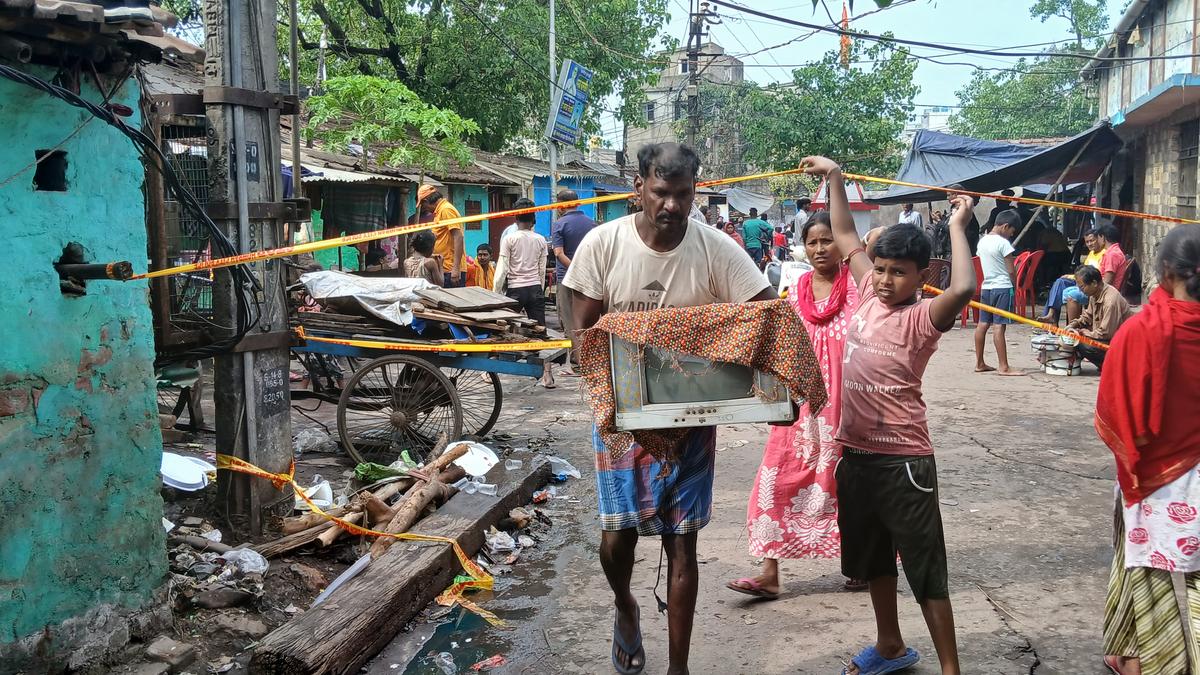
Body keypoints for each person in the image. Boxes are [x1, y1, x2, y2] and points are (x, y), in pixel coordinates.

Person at [562, 142, 775, 675]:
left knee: (683, 543)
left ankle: (678, 668)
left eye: (683, 194)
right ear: (639, 188)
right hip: (621, 418)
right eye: (661, 193)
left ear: (695, 191)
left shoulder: (715, 248)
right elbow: (582, 329)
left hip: (690, 418)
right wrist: (600, 354)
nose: (673, 206)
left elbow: (766, 312)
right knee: (618, 536)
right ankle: (625, 605)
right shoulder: (603, 244)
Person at [804, 155, 977, 675]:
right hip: (855, 458)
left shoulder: (924, 317)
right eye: (879, 268)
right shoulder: (862, 294)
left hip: (904, 465)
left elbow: (966, 288)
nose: (883, 279)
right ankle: (889, 646)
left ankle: (950, 668)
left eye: (898, 273)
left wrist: (956, 225)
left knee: (925, 570)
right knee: (874, 562)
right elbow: (843, 230)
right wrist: (836, 177)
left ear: (923, 276)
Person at [728, 210, 866, 601]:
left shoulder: (859, 288)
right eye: (812, 242)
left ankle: (861, 561)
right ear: (802, 247)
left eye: (828, 240)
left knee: (852, 489)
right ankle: (769, 574)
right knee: (775, 482)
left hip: (849, 409)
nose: (820, 248)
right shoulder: (794, 289)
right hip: (801, 410)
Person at [1098, 223, 1200, 675]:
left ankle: (1149, 662)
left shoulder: (1142, 332)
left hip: (1157, 477)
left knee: (1148, 571)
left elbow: (1116, 411)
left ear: (1162, 270)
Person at [550, 189, 598, 375]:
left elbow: (559, 253)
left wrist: (575, 269)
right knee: (588, 321)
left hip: (568, 279)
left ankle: (578, 366)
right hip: (591, 279)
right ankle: (592, 362)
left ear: (562, 205)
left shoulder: (559, 224)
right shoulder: (591, 224)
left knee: (570, 322)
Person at [974, 210, 1023, 375]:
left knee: (982, 325)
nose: (1010, 234)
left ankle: (980, 363)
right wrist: (1014, 285)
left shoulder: (982, 242)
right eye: (1011, 231)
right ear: (1005, 226)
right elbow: (1010, 271)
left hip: (986, 287)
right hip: (1002, 287)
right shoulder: (1004, 244)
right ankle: (1004, 366)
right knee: (999, 327)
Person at [1066, 265, 1133, 371]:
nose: (1080, 291)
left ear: (1094, 283)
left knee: (1082, 344)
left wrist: (1082, 332)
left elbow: (1105, 333)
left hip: (1119, 345)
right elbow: (1087, 316)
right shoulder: (1095, 294)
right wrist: (1074, 324)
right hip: (1107, 339)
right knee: (1072, 340)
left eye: (1082, 287)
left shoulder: (1110, 301)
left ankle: (1113, 366)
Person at [493, 197, 548, 327]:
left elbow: (502, 268)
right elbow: (542, 270)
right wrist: (539, 289)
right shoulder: (541, 240)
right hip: (535, 288)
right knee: (539, 328)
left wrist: (496, 293)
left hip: (515, 289)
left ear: (516, 218)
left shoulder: (509, 239)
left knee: (507, 327)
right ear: (533, 219)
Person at [1038, 230, 1105, 324]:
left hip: (1089, 283)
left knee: (1066, 290)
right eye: (1087, 242)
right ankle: (1051, 314)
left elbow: (1095, 275)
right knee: (1060, 282)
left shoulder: (1104, 254)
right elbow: (1083, 272)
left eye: (1092, 240)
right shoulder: (1091, 254)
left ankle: (1052, 317)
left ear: (1099, 239)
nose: (1089, 244)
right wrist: (1072, 276)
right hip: (1083, 280)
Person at [416, 185, 466, 287]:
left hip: (450, 269)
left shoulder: (446, 210)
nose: (424, 208)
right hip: (444, 268)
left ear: (426, 201)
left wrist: (455, 269)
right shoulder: (440, 211)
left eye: (422, 204)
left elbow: (458, 236)